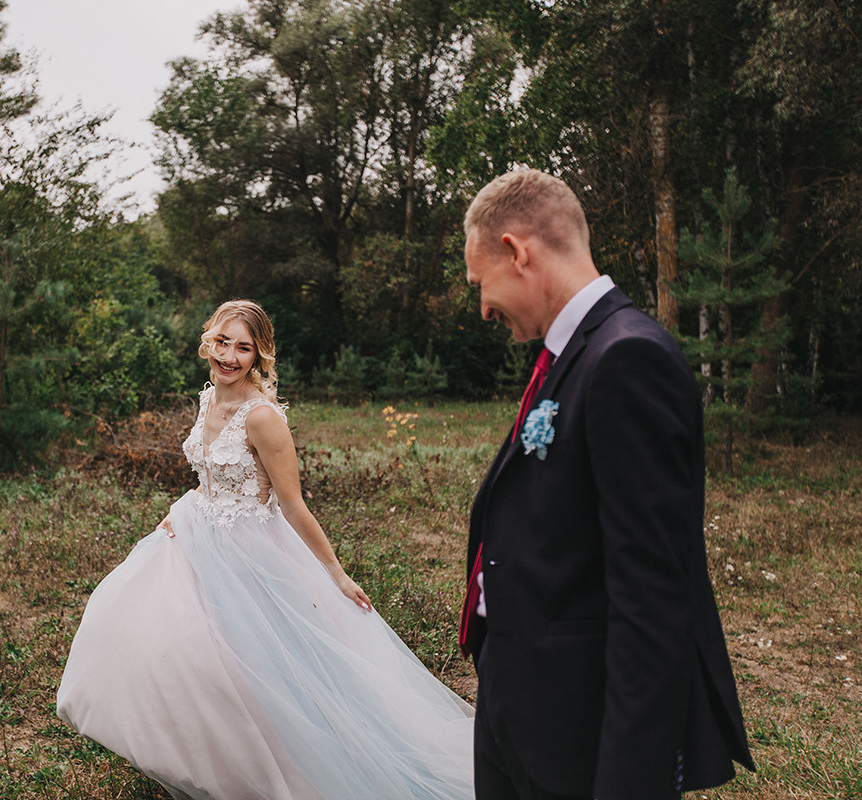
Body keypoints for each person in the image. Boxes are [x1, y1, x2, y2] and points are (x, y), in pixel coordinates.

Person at [56, 299, 476, 800]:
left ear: (260, 356)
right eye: (222, 342)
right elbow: (209, 474)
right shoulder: (208, 397)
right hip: (196, 534)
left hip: (250, 552)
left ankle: (273, 770)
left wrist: (336, 574)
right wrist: (186, 507)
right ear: (207, 340)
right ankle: (198, 756)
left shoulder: (263, 417)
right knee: (147, 634)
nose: (229, 356)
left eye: (244, 348)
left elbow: (294, 506)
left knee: (255, 668)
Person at [458, 169, 754, 800]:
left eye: (481, 284)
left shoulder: (628, 359)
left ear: (517, 251)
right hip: (520, 706)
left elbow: (653, 601)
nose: (482, 307)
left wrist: (629, 783)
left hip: (575, 736)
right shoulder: (570, 356)